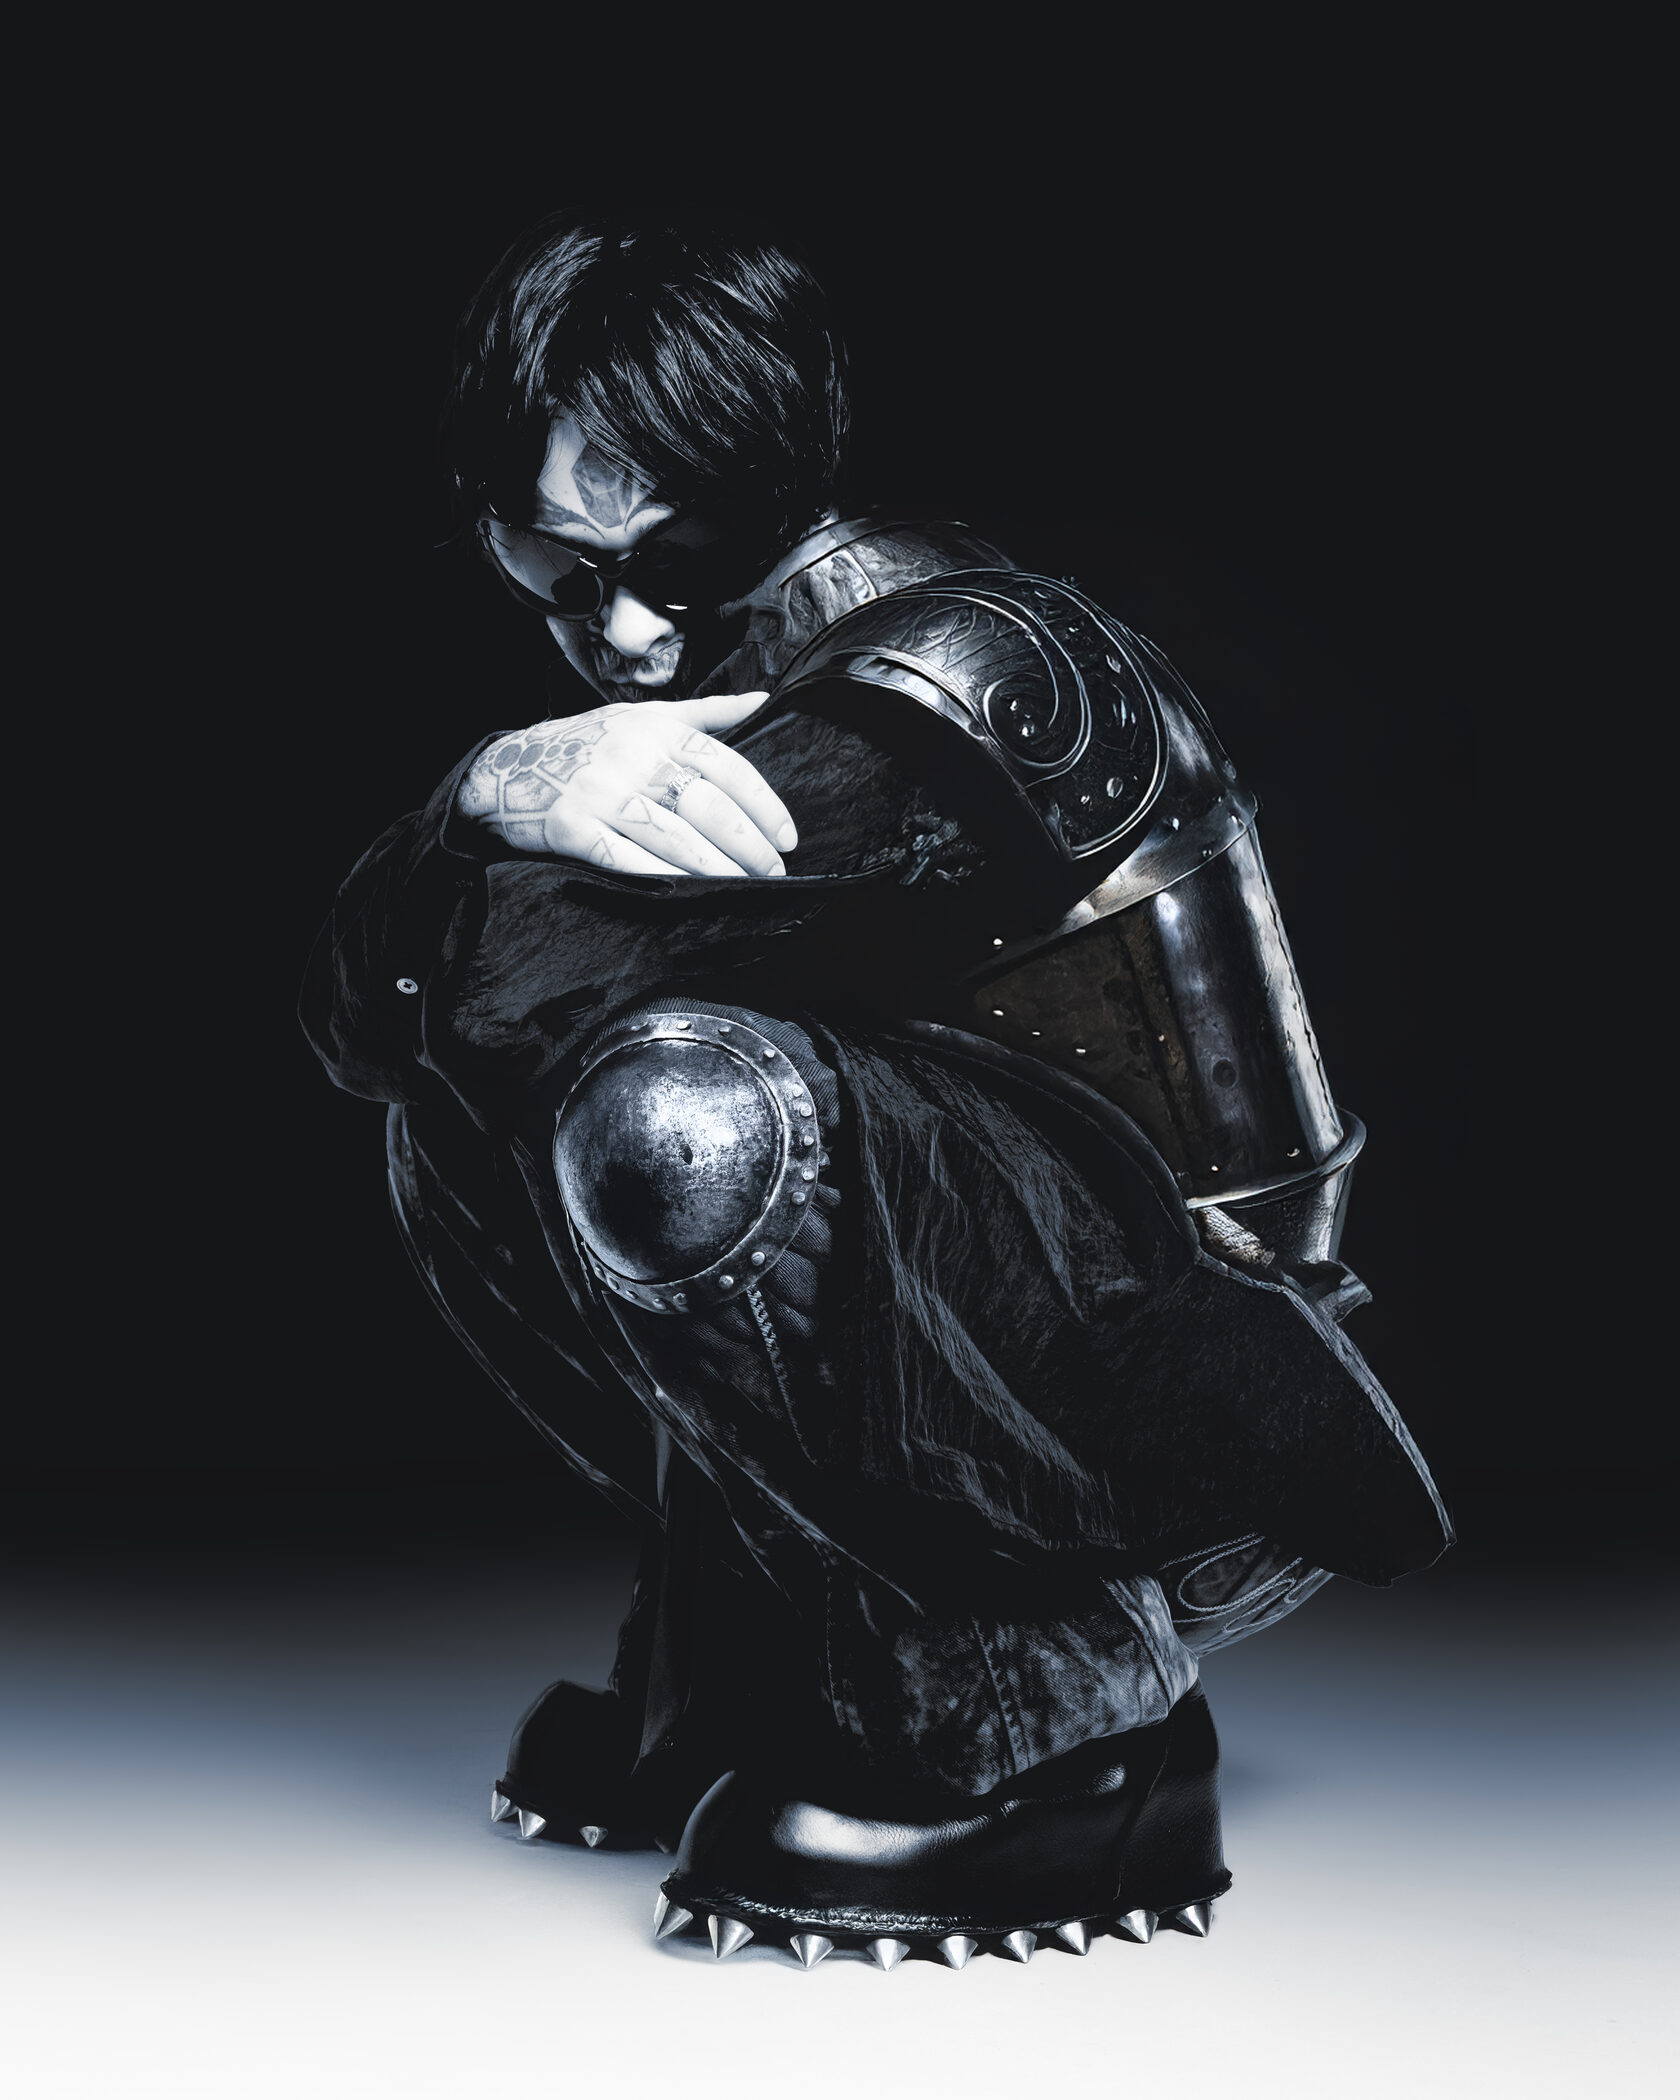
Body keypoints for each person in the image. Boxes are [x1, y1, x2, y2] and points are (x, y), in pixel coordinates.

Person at [302, 212, 1451, 1972]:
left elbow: (500, 981)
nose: (623, 631)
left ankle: (1056, 1715)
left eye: (678, 553)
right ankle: (759, 1648)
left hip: (1176, 1411)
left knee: (680, 1116)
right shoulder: (706, 677)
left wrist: (494, 797)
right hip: (1000, 1300)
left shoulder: (945, 676)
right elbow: (373, 1037)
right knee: (451, 1134)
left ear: (776, 490)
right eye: (552, 563)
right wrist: (495, 791)